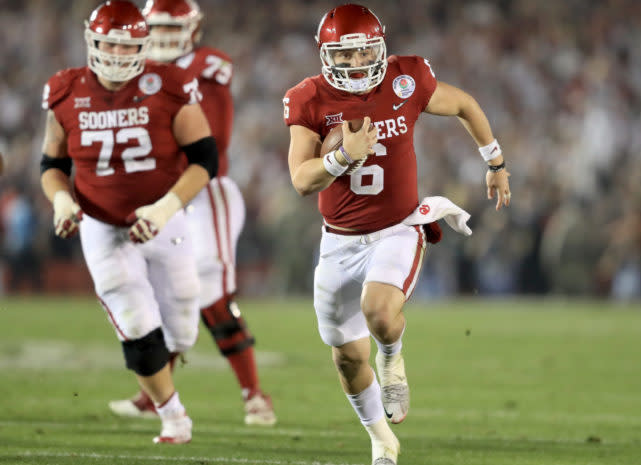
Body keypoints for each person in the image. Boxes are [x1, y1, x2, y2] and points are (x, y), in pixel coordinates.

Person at [283, 4, 511, 464]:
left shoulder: (405, 78)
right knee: (346, 358)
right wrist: (343, 156)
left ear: (380, 48)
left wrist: (496, 161)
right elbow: (301, 179)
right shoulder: (309, 97)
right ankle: (381, 439)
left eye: (363, 53)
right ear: (325, 57)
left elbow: (464, 103)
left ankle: (392, 357)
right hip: (339, 241)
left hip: (398, 227)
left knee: (379, 312)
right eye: (343, 57)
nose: (355, 64)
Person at [39, 0, 219, 444]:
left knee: (182, 327)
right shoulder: (65, 90)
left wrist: (162, 210)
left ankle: (163, 387)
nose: (117, 56)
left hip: (165, 218)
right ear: (92, 41)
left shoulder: (169, 84)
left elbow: (205, 160)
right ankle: (173, 417)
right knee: (134, 319)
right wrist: (62, 201)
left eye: (127, 47)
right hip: (102, 224)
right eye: (108, 45)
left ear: (143, 46)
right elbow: (51, 163)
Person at [107, 0, 276, 427]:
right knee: (170, 295)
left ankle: (255, 395)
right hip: (162, 196)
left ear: (192, 30)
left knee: (211, 292)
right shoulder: (130, 70)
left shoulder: (208, 64)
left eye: (170, 28)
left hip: (205, 192)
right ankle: (157, 396)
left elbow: (213, 142)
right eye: (156, 28)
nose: (162, 38)